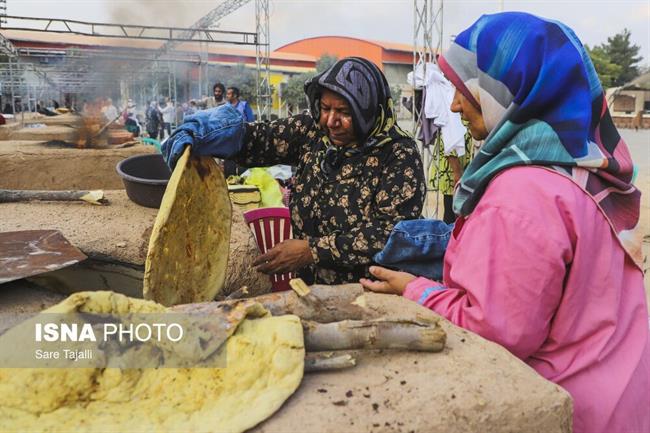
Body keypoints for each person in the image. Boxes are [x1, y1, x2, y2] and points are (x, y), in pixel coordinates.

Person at [360, 12, 649, 433]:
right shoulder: (584, 167)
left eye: (467, 88)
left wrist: (416, 290)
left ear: (510, 90)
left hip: (569, 409)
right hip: (623, 397)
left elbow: (498, 334)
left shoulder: (520, 194)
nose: (456, 104)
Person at [163, 57, 426, 285]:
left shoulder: (398, 155)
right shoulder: (312, 132)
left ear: (369, 111)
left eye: (344, 112)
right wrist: (206, 133)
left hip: (371, 294)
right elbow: (256, 139)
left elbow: (390, 233)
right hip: (308, 287)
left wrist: (312, 251)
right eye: (325, 108)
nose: (331, 121)